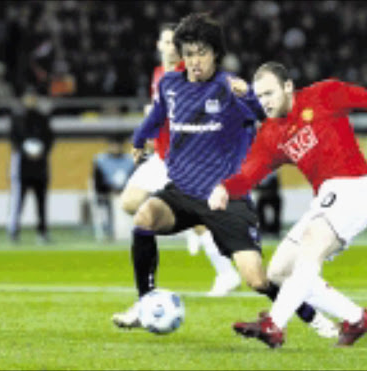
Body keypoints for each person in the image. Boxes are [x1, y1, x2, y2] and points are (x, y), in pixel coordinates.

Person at [112, 14, 336, 337]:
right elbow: (157, 116)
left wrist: (249, 96)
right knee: (144, 217)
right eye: (188, 54)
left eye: (201, 53)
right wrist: (137, 141)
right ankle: (145, 301)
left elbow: (272, 115)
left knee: (258, 280)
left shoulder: (230, 88)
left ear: (216, 53)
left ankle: (311, 315)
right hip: (182, 193)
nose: (194, 61)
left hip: (225, 199)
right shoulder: (170, 84)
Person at [208, 61, 367, 348]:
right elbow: (249, 174)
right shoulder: (271, 134)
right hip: (327, 198)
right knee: (278, 272)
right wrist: (224, 188)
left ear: (287, 87)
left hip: (355, 186)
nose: (264, 102)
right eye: (259, 96)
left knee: (312, 244)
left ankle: (274, 324)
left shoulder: (325, 94)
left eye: (269, 93)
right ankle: (357, 318)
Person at [118, 22, 241, 297]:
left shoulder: (184, 75)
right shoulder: (158, 74)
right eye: (166, 42)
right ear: (158, 46)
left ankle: (226, 273)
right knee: (129, 202)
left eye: (175, 43)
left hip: (181, 158)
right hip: (160, 156)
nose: (171, 47)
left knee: (187, 213)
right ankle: (190, 231)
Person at [7, 89, 54, 244]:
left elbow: (50, 139)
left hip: (40, 167)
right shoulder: (17, 119)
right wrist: (24, 150)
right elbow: (13, 139)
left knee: (41, 202)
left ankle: (42, 232)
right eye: (28, 98)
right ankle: (14, 231)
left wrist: (42, 151)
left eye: (33, 98)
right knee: (18, 200)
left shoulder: (43, 119)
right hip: (23, 167)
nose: (31, 101)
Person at [91, 135, 135, 240]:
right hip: (107, 193)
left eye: (117, 145)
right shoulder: (101, 160)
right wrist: (109, 190)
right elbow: (97, 181)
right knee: (106, 203)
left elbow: (133, 179)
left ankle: (128, 231)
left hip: (125, 193)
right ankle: (108, 231)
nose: (115, 148)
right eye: (113, 145)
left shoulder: (129, 161)